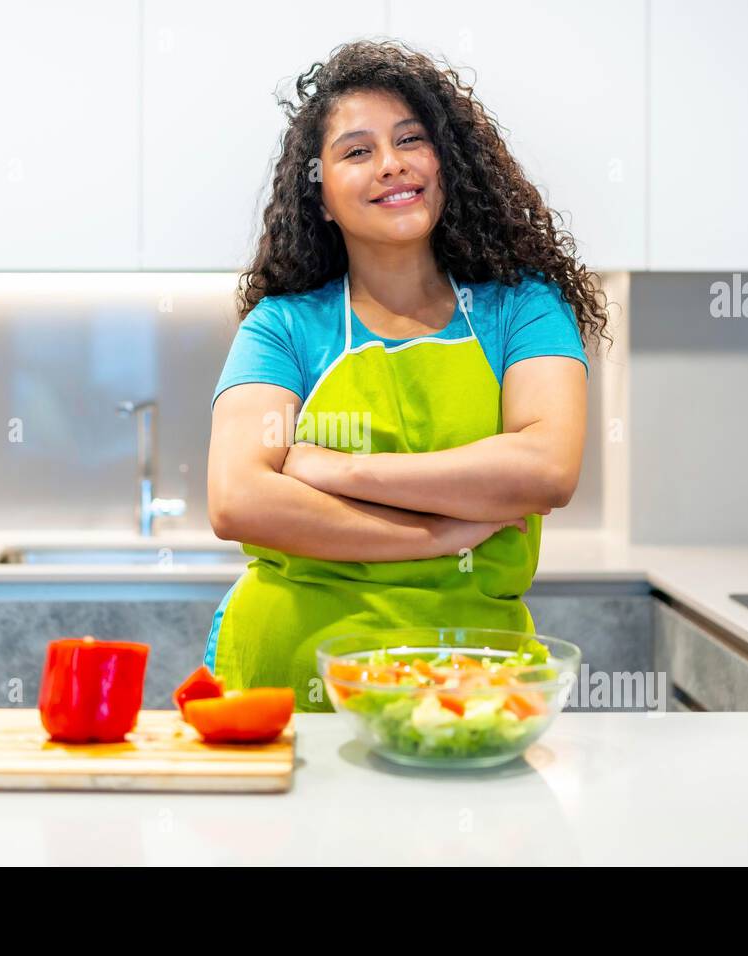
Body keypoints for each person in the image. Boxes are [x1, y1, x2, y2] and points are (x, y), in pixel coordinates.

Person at [204, 40, 610, 712]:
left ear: (445, 164)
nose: (391, 165)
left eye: (410, 140)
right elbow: (238, 500)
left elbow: (545, 470)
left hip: (476, 689)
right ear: (323, 197)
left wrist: (339, 471)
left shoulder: (523, 307)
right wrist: (444, 534)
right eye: (357, 151)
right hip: (291, 688)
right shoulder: (284, 327)